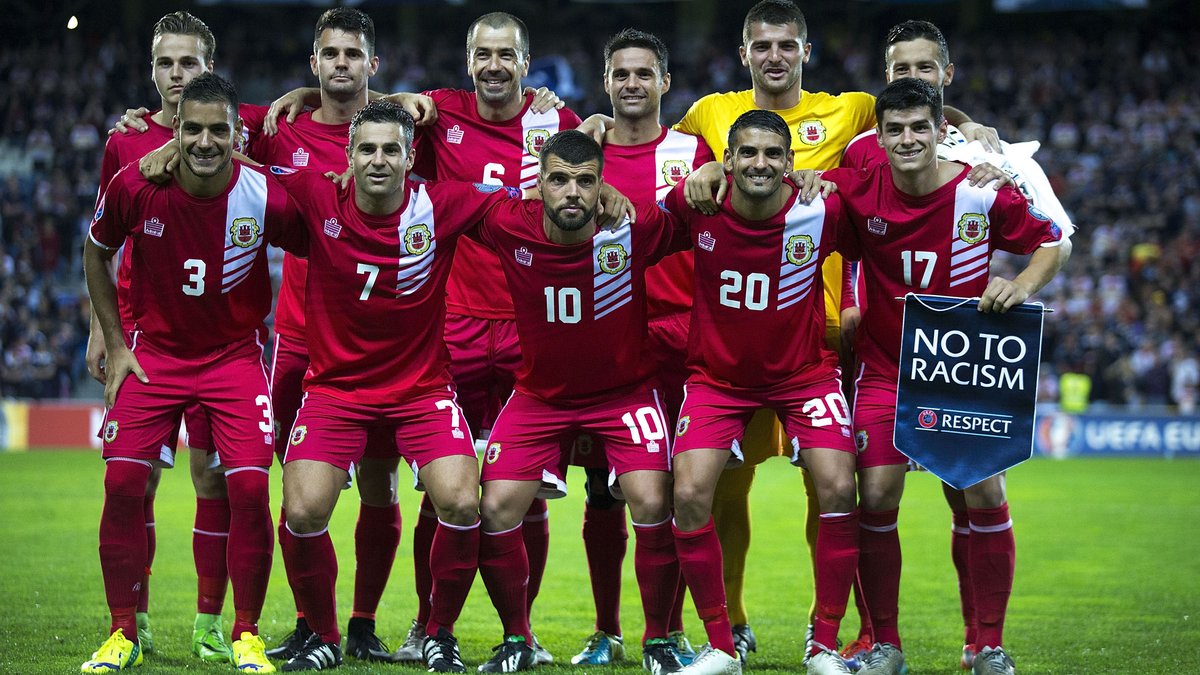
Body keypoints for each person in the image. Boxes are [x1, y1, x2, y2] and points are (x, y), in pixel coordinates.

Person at [118, 9, 434, 661]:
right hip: (298, 338)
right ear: (313, 63)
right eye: (329, 54)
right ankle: (311, 623)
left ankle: (363, 622)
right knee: (296, 491)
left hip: (385, 341)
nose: (341, 64)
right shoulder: (277, 126)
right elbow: (202, 123)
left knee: (380, 484)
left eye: (353, 54)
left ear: (371, 64)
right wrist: (146, 128)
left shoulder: (401, 130)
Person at [838, 22, 1074, 674]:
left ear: (940, 119)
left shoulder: (983, 179)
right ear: (880, 130)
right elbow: (825, 226)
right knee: (875, 493)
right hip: (885, 365)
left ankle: (986, 644)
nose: (907, 138)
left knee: (983, 494)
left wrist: (1019, 286)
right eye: (896, 128)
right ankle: (884, 645)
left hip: (963, 366)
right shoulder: (857, 170)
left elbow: (1053, 240)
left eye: (920, 127)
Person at [270, 100, 522, 673]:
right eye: (367, 149)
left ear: (411, 157)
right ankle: (325, 637)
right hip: (335, 391)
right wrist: (163, 150)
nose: (378, 160)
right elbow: (230, 169)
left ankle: (439, 634)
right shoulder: (314, 194)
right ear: (348, 155)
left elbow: (525, 200)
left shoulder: (441, 204)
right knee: (301, 511)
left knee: (462, 501)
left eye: (391, 150)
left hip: (421, 392)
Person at [83, 72, 304, 674]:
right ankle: (122, 632)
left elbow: (321, 238)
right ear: (174, 129)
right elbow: (96, 250)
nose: (206, 142)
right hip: (154, 356)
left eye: (219, 131)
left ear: (237, 135)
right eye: (194, 130)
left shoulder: (263, 193)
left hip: (233, 359)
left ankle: (245, 633)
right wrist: (117, 342)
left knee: (251, 490)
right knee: (123, 484)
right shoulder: (137, 184)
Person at [389, 13, 582, 664]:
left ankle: (521, 633)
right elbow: (363, 120)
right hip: (455, 325)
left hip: (534, 331)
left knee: (530, 494)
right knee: (441, 489)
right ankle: (425, 626)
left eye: (507, 55)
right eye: (483, 54)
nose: (494, 65)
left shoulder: (557, 123)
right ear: (468, 60)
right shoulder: (436, 114)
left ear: (527, 63)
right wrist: (399, 100)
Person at [468, 129, 685, 674]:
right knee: (494, 507)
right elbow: (438, 197)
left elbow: (698, 217)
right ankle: (517, 638)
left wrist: (707, 175)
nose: (572, 192)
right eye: (559, 180)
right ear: (538, 184)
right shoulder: (507, 223)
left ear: (602, 186)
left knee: (653, 501)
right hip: (539, 397)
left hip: (624, 395)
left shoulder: (634, 227)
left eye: (585, 182)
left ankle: (658, 640)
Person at [665, 109, 859, 675]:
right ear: (726, 160)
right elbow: (637, 238)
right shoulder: (696, 204)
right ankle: (721, 645)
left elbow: (881, 234)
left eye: (773, 154)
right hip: (717, 379)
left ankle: (823, 646)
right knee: (689, 493)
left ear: (791, 163)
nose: (760, 163)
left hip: (804, 375)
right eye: (747, 152)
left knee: (838, 486)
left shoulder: (821, 210)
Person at [85, 11, 233, 664]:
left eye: (189, 63)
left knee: (213, 481)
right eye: (166, 63)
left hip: (223, 341)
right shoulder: (124, 142)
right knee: (134, 481)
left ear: (209, 67)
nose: (177, 75)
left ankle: (209, 623)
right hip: (144, 339)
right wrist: (102, 331)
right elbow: (103, 238)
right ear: (151, 70)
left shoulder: (235, 130)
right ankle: (134, 620)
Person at [564, 28, 714, 669]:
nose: (632, 83)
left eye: (643, 73)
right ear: (605, 82)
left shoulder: (694, 151)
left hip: (681, 339)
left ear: (665, 83)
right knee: (602, 488)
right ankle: (606, 631)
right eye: (621, 73)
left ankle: (667, 633)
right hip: (608, 336)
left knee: (672, 492)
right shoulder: (582, 152)